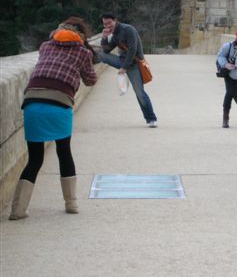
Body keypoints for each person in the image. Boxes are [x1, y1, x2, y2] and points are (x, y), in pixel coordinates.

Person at [9, 17, 97, 220]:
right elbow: (91, 80)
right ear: (81, 35)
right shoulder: (83, 52)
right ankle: (71, 204)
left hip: (32, 102)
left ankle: (18, 209)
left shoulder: (45, 46)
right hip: (59, 103)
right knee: (64, 152)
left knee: (35, 159)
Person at [99, 13, 158, 127]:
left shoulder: (128, 29)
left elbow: (133, 50)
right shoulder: (115, 34)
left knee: (140, 93)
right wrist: (104, 37)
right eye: (105, 24)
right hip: (122, 62)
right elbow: (106, 51)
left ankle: (151, 119)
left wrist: (124, 68)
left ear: (115, 20)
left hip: (134, 65)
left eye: (109, 23)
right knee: (99, 54)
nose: (107, 26)